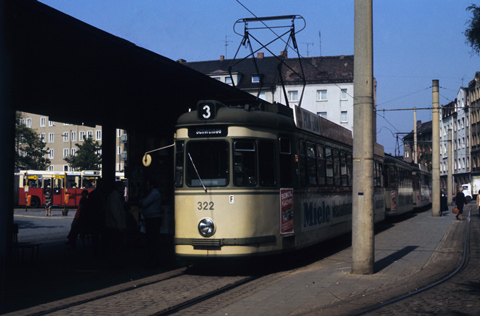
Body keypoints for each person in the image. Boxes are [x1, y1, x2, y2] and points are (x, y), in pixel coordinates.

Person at [140, 179, 163, 268]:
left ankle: (153, 261)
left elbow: (144, 203)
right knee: (152, 240)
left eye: (148, 185)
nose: (146, 187)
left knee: (152, 240)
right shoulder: (153, 193)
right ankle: (153, 260)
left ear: (152, 185)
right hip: (152, 218)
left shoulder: (154, 193)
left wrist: (141, 202)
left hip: (153, 219)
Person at [105, 181, 127, 267]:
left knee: (115, 246)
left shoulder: (114, 196)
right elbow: (116, 213)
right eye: (122, 187)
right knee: (116, 246)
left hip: (114, 225)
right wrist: (120, 225)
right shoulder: (114, 197)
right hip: (114, 226)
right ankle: (115, 264)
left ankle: (115, 263)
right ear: (118, 188)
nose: (123, 189)